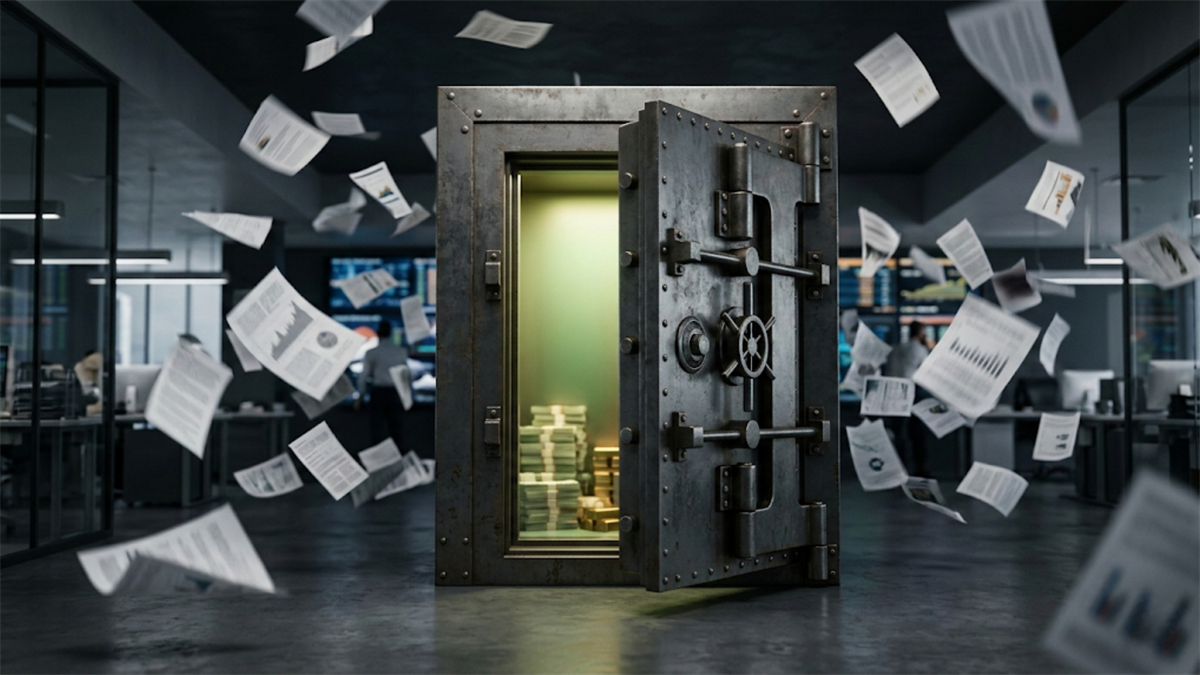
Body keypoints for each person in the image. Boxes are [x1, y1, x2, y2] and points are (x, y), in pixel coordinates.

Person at [884, 320, 931, 476]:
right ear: (920, 332)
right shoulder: (919, 349)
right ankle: (919, 468)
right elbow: (926, 373)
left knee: (899, 433)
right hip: (912, 393)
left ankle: (898, 469)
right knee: (917, 433)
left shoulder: (896, 348)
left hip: (892, 393)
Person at [355, 320, 409, 446]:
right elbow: (406, 377)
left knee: (376, 430)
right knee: (396, 429)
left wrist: (360, 397)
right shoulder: (400, 351)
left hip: (378, 393)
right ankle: (400, 458)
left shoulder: (371, 353)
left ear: (378, 334)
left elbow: (363, 376)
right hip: (395, 393)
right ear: (390, 334)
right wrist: (408, 398)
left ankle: (377, 460)